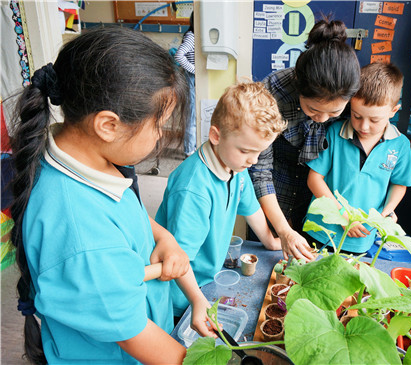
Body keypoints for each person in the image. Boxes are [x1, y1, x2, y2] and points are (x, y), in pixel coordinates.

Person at [8, 27, 214, 365]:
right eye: (159, 125)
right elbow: (139, 339)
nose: (161, 136)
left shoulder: (85, 156)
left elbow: (123, 210)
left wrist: (163, 236)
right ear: (108, 125)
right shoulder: (81, 233)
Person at [155, 81, 285, 317]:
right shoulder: (193, 189)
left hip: (208, 279)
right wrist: (196, 300)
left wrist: (271, 242)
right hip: (182, 293)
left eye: (260, 152)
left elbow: (251, 209)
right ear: (216, 135)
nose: (253, 161)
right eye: (246, 151)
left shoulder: (235, 165)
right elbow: (178, 259)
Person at [249, 18, 361, 261]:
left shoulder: (355, 97)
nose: (322, 119)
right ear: (299, 86)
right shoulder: (272, 93)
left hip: (319, 194)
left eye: (333, 113)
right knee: (267, 259)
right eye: (312, 109)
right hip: (274, 186)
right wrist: (282, 229)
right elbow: (260, 170)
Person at [304, 62, 411, 253]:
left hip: (361, 239)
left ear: (394, 111)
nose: (363, 126)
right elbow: (314, 179)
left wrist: (387, 211)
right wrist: (342, 216)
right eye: (356, 116)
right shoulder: (334, 133)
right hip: (320, 231)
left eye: (374, 120)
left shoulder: (400, 145)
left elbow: (399, 184)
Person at [175, 11, 196, 158]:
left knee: (194, 115)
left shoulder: (195, 36)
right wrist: (195, 70)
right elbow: (179, 55)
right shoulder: (191, 36)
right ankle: (189, 151)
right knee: (192, 117)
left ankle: (191, 148)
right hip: (192, 79)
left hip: (195, 79)